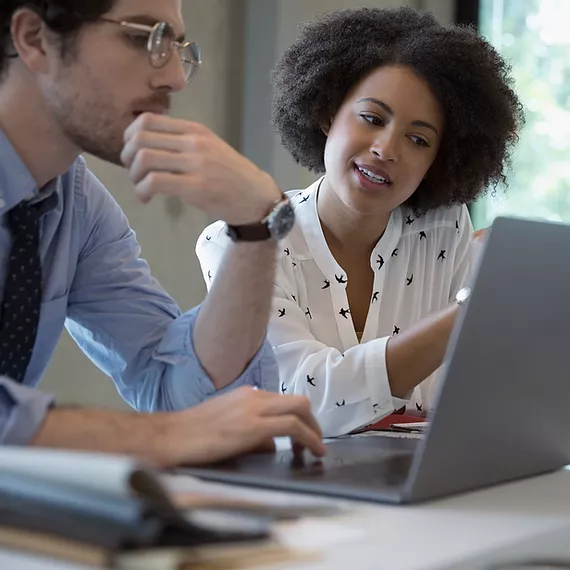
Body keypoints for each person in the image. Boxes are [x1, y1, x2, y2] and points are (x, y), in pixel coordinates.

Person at [0, 0, 326, 464]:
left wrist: (258, 225)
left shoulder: (75, 203)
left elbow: (179, 393)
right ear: (34, 39)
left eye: (176, 46)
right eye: (141, 37)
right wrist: (159, 437)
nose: (174, 77)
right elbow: (181, 427)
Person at [197, 7, 524, 437]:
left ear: (438, 161)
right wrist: (472, 307)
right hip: (291, 484)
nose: (387, 149)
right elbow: (301, 399)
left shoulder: (446, 229)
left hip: (419, 487)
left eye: (418, 139)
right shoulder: (240, 240)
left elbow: (477, 393)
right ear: (327, 113)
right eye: (372, 118)